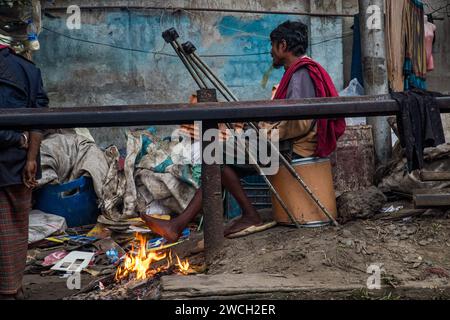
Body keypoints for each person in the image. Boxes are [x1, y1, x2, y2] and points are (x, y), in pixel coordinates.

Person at [141, 20, 345, 243]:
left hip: (292, 148)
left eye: (273, 46)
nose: (270, 52)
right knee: (220, 159)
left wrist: (264, 131)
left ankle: (248, 215)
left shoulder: (300, 74)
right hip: (286, 142)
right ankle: (178, 225)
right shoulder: (297, 72)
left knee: (215, 153)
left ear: (283, 45)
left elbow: (300, 122)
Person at [0, 29, 49, 299]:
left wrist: (16, 138)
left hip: (9, 158)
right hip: (23, 162)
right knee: (18, 226)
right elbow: (40, 114)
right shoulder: (28, 69)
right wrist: (31, 156)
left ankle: (8, 290)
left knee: (5, 229)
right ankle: (14, 286)